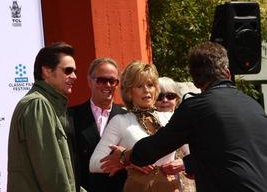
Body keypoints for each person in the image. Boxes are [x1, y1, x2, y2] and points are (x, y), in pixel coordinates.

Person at [101, 41, 267, 191]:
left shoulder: (196, 108)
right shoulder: (254, 106)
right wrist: (188, 164)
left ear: (195, 82)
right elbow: (226, 152)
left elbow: (158, 145)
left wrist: (125, 156)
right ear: (228, 73)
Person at [90, 60, 185, 192]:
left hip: (170, 187)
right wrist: (129, 161)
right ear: (129, 91)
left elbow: (197, 153)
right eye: (140, 86)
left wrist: (183, 164)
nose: (146, 90)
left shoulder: (170, 117)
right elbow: (94, 164)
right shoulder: (120, 121)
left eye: (150, 85)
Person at [7, 42, 86, 192]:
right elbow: (51, 172)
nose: (74, 76)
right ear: (47, 71)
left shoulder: (47, 104)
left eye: (75, 71)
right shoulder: (38, 105)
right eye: (68, 70)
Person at [68, 58, 127, 192]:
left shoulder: (127, 116)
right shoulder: (71, 116)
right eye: (101, 80)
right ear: (90, 81)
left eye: (112, 81)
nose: (107, 85)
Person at [156, 77, 197, 192]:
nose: (164, 100)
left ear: (177, 100)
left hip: (186, 183)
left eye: (170, 96)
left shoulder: (187, 123)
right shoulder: (143, 125)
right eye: (159, 96)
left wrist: (184, 163)